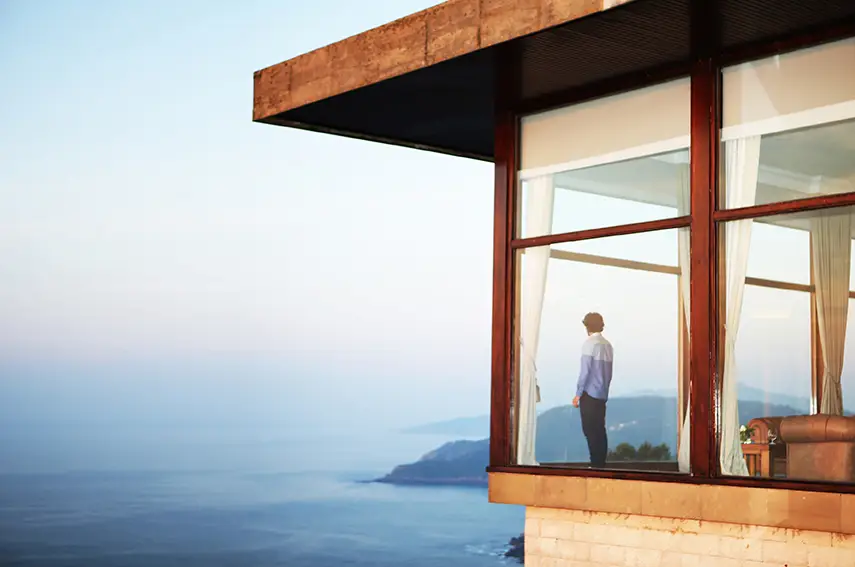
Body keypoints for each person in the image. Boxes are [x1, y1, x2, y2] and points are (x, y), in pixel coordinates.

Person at [572, 312, 613, 468]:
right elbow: (608, 373)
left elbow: (585, 372)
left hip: (589, 393)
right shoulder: (608, 345)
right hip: (602, 394)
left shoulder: (589, 344)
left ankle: (595, 465)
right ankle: (600, 464)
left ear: (587, 326)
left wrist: (578, 394)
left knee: (589, 430)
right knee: (600, 429)